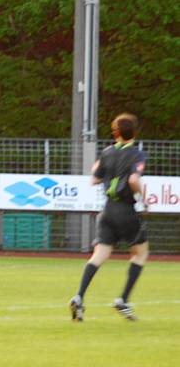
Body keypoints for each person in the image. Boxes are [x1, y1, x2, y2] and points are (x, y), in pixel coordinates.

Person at [69, 113, 148, 321]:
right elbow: (133, 179)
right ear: (134, 132)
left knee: (99, 255)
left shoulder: (107, 152)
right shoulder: (136, 155)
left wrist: (107, 171)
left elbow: (94, 178)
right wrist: (143, 198)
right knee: (140, 254)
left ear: (115, 133)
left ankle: (79, 297)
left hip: (107, 210)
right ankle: (123, 300)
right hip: (125, 210)